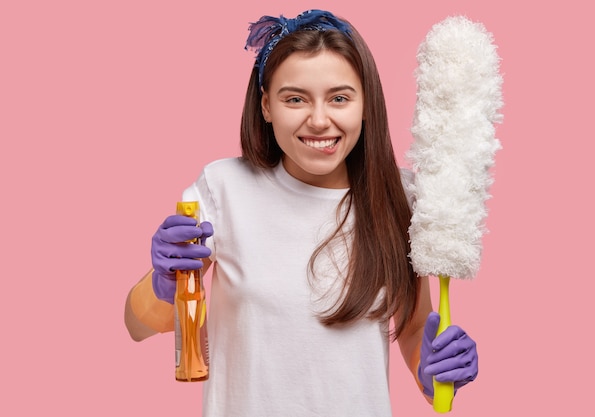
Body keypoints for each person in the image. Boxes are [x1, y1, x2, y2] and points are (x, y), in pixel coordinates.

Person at [124, 9, 478, 416]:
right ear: (266, 106)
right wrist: (162, 283)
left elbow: (415, 328)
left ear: (366, 105)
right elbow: (136, 327)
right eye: (295, 99)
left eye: (340, 98)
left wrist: (435, 374)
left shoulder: (402, 199)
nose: (320, 120)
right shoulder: (222, 190)